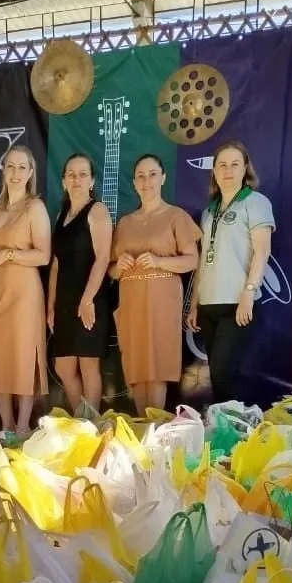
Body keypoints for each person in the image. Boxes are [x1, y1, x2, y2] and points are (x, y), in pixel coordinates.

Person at [109, 154, 201, 416]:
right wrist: (119, 265)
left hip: (163, 301)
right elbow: (112, 270)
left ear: (163, 178)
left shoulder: (176, 216)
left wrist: (159, 261)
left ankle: (155, 428)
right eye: (140, 176)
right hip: (131, 302)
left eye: (152, 174)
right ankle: (142, 425)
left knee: (157, 366)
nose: (146, 181)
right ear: (134, 183)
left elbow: (191, 260)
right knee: (137, 365)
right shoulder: (125, 222)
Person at [186, 141, 274, 404]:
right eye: (222, 165)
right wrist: (193, 305)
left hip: (237, 303)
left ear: (245, 168)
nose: (228, 170)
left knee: (223, 372)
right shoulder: (208, 212)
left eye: (235, 164)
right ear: (214, 171)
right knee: (217, 375)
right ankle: (227, 422)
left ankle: (236, 422)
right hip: (208, 304)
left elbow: (262, 251)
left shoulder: (255, 202)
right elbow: (202, 262)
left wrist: (249, 293)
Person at [0, 145, 51, 437]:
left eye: (22, 167)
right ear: (3, 170)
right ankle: (7, 426)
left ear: (31, 172)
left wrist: (9, 255)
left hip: (25, 292)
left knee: (23, 357)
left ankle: (23, 427)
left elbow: (43, 256)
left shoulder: (35, 208)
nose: (16, 173)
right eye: (10, 166)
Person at [48, 153, 113, 414]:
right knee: (64, 367)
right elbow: (56, 264)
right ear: (64, 181)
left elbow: (103, 258)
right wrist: (51, 306)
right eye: (71, 175)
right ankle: (80, 418)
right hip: (64, 302)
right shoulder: (61, 215)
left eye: (83, 174)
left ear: (92, 181)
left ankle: (92, 423)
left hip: (91, 299)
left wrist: (87, 299)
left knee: (88, 366)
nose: (77, 179)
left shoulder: (97, 210)